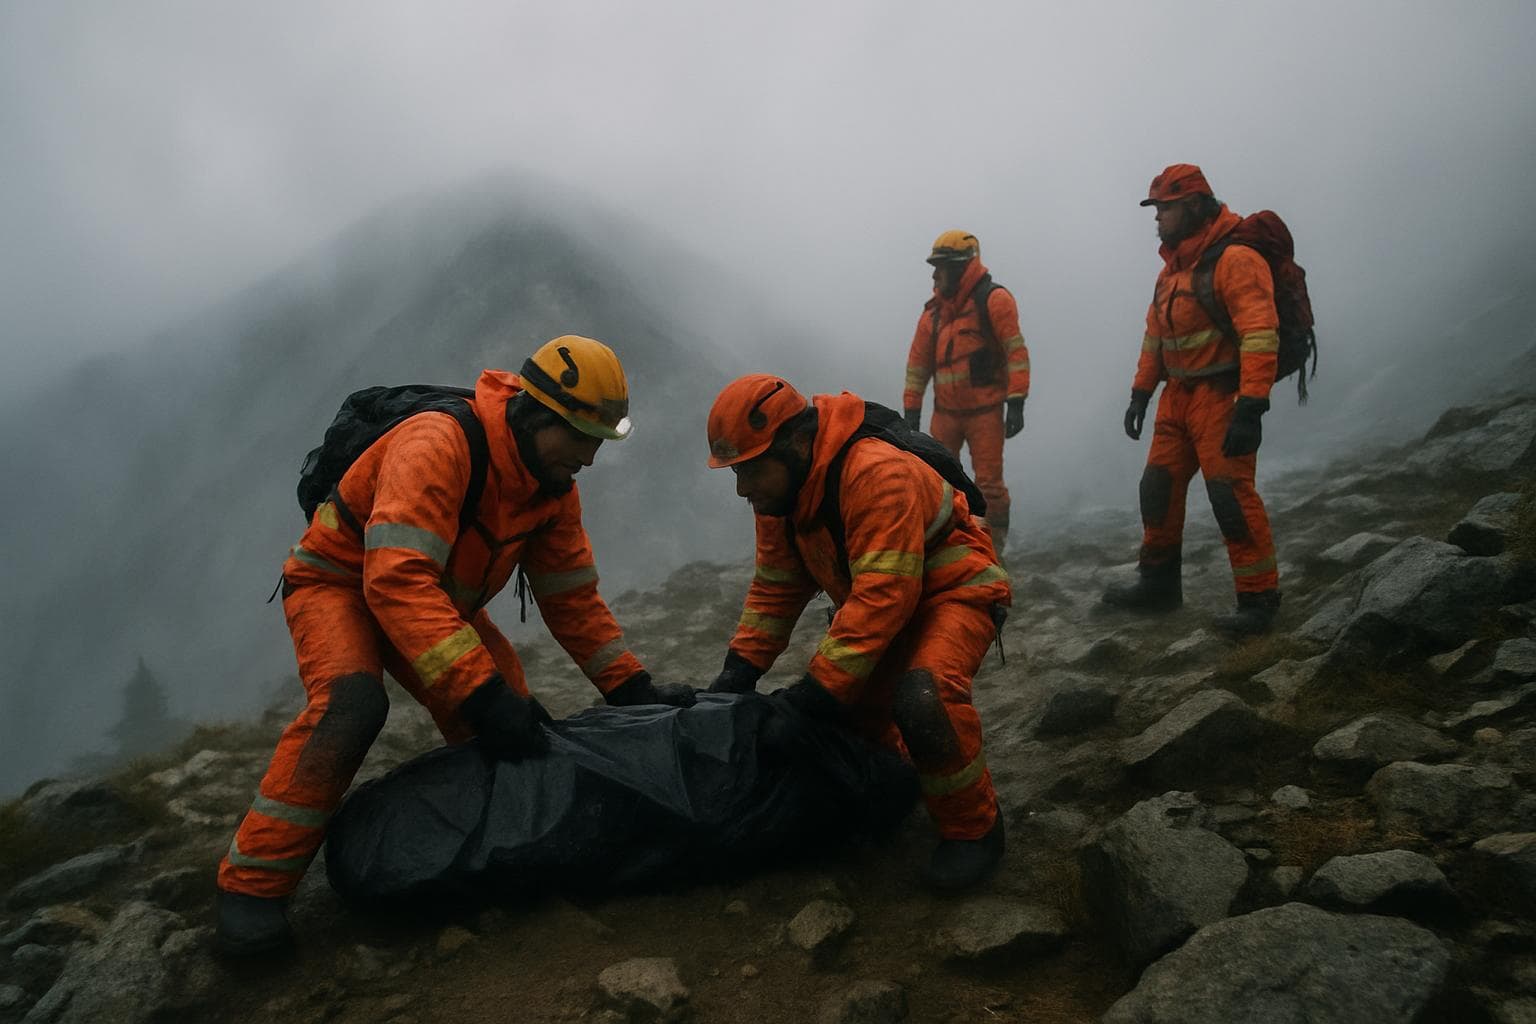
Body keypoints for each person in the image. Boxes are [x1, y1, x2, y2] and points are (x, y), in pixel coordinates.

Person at [215, 336, 693, 954]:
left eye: (599, 442)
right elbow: (395, 581)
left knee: (517, 729)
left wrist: (631, 687)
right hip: (339, 585)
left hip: (432, 600)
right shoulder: (437, 444)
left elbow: (570, 598)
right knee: (352, 707)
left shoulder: (551, 488)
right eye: (580, 437)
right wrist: (480, 693)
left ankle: (485, 857)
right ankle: (251, 889)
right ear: (535, 414)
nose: (589, 458)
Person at [705, 374, 1009, 889]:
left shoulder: (875, 472)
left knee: (922, 697)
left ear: (794, 443)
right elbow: (778, 587)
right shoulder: (781, 497)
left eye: (750, 469)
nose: (742, 488)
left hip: (955, 591)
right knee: (856, 722)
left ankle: (973, 831)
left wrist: (816, 694)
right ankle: (900, 785)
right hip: (882, 598)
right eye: (737, 472)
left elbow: (884, 594)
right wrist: (739, 670)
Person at [1102, 164, 1281, 635]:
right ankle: (1158, 585)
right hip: (1176, 398)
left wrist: (1251, 405)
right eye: (1156, 208)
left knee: (1229, 496)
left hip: (1221, 397)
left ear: (1195, 205)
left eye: (1166, 208)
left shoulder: (1236, 259)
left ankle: (1259, 598)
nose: (1157, 217)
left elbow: (1260, 333)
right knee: (1157, 488)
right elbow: (1155, 338)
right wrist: (1141, 393)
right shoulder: (1172, 270)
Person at [902, 230, 1031, 551]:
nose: (935, 274)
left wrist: (1016, 400)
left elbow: (1015, 352)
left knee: (989, 486)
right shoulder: (933, 314)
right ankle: (950, 548)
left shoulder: (995, 301)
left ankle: (994, 549)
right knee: (937, 481)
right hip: (945, 415)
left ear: (961, 267)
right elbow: (918, 366)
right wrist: (911, 413)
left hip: (985, 414)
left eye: (941, 266)